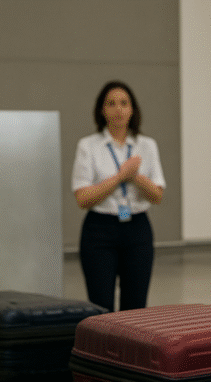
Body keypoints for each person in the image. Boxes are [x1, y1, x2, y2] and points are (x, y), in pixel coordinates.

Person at [71, 80, 165, 311]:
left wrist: (136, 177)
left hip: (137, 229)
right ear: (102, 110)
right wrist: (120, 177)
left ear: (132, 109)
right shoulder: (88, 146)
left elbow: (157, 196)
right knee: (100, 305)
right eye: (111, 104)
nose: (118, 109)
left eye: (124, 103)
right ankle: (102, 349)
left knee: (135, 306)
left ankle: (131, 349)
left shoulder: (147, 145)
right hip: (99, 230)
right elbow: (83, 198)